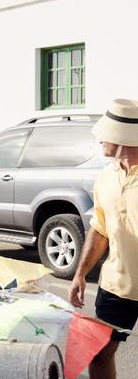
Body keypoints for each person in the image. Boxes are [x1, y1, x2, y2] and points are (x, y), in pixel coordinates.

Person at [68, 99, 138, 379]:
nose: (100, 139)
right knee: (98, 353)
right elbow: (100, 229)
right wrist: (81, 273)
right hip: (116, 285)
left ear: (123, 138)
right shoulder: (106, 176)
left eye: (105, 134)